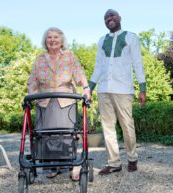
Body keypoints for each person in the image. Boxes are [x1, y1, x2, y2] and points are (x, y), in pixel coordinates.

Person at [27, 27, 91, 180]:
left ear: (61, 41)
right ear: (45, 40)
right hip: (45, 100)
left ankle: (71, 165)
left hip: (66, 100)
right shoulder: (40, 59)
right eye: (49, 37)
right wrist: (30, 95)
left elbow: (79, 74)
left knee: (67, 134)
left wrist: (86, 88)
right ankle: (52, 166)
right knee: (47, 135)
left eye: (56, 37)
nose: (52, 40)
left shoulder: (69, 56)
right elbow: (32, 80)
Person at [89, 9, 146, 175]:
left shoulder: (131, 37)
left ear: (119, 18)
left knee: (127, 125)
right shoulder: (101, 41)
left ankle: (132, 158)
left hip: (123, 89)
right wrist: (90, 88)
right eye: (106, 17)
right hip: (104, 89)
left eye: (112, 15)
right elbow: (98, 67)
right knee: (107, 128)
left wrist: (142, 88)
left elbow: (137, 63)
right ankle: (114, 163)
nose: (109, 18)